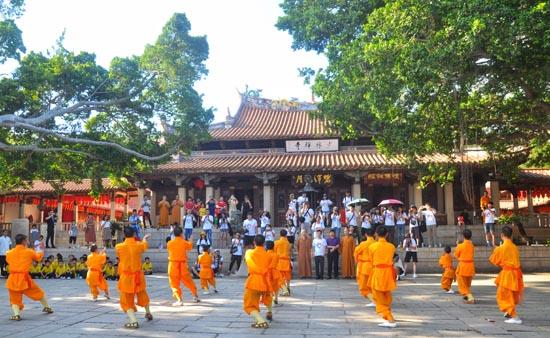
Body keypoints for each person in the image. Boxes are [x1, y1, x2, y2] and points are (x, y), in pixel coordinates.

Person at [5, 234, 53, 321]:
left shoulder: (9, 253)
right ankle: (47, 307)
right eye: (27, 240)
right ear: (23, 241)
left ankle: (16, 315)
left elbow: (8, 261)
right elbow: (38, 258)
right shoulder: (29, 251)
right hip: (24, 278)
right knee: (37, 291)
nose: (28, 242)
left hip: (13, 278)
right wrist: (41, 250)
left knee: (14, 297)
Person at [115, 227, 152, 329]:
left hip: (126, 276)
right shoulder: (138, 245)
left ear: (124, 235)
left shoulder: (119, 246)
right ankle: (148, 312)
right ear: (134, 235)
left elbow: (119, 256)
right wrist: (144, 238)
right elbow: (144, 246)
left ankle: (133, 321)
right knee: (142, 293)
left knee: (126, 299)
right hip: (138, 275)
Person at [489, 226, 524, 324]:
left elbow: (493, 260)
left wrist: (496, 250)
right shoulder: (514, 247)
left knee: (503, 295)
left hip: (508, 274)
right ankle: (509, 312)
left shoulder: (501, 248)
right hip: (516, 273)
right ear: (511, 235)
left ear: (502, 235)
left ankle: (515, 317)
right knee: (511, 295)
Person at [369, 226, 397, 328]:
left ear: (376, 234)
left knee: (378, 298)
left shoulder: (372, 247)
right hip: (388, 273)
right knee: (387, 296)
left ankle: (390, 319)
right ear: (387, 234)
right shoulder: (391, 246)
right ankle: (388, 316)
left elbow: (371, 261)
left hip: (378, 272)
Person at [243, 234, 272, 329]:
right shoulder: (268, 254)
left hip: (254, 281)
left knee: (249, 304)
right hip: (264, 281)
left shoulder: (249, 252)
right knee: (255, 302)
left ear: (254, 242)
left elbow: (247, 262)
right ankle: (259, 320)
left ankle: (261, 320)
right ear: (264, 243)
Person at [167, 227, 200, 306]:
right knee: (188, 281)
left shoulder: (170, 243)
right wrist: (191, 239)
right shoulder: (184, 242)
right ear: (181, 234)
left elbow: (170, 249)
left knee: (174, 283)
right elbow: (190, 246)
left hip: (173, 265)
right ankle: (195, 295)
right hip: (182, 265)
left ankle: (179, 300)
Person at [354, 229, 376, 307]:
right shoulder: (376, 243)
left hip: (365, 267)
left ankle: (374, 301)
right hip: (375, 267)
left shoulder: (364, 244)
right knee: (372, 285)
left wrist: (357, 261)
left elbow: (356, 253)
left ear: (366, 235)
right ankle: (375, 300)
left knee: (364, 287)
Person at [454, 229, 476, 304]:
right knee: (467, 283)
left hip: (463, 266)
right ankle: (467, 296)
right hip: (470, 266)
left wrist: (457, 245)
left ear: (463, 236)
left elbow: (456, 255)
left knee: (462, 283)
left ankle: (470, 297)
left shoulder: (460, 246)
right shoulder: (472, 245)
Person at [265, 240, 282, 311]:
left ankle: (271, 300)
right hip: (275, 272)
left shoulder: (265, 255)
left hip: (268, 272)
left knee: (269, 287)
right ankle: (276, 298)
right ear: (273, 247)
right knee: (276, 286)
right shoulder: (276, 255)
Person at [274, 229, 292, 296]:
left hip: (280, 261)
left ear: (280, 234)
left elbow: (274, 252)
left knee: (280, 277)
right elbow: (290, 252)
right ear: (286, 235)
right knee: (287, 276)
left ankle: (284, 289)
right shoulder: (288, 243)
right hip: (287, 261)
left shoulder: (277, 242)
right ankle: (288, 287)